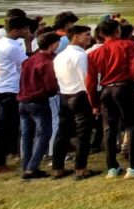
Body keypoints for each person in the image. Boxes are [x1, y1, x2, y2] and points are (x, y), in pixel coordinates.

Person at [86, 17, 134, 179]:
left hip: (106, 89)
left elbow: (90, 81)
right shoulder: (127, 45)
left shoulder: (94, 53)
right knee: (131, 125)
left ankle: (112, 167)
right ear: (117, 31)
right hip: (124, 87)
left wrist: (94, 102)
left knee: (109, 128)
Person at [0, 9, 32, 175]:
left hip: (1, 87)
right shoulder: (12, 47)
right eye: (25, 29)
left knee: (1, 127)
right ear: (15, 31)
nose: (28, 32)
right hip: (9, 90)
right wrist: (28, 44)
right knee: (2, 128)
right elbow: (28, 65)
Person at [52, 24, 96, 180]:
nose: (89, 37)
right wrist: (93, 101)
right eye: (87, 34)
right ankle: (81, 168)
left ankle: (58, 167)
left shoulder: (60, 56)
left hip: (65, 94)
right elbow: (86, 79)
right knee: (83, 133)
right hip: (80, 94)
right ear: (76, 36)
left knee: (63, 132)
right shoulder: (81, 56)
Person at [17, 32, 61, 179]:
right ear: (53, 45)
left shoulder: (29, 60)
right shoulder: (47, 62)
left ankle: (27, 165)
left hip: (23, 100)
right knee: (44, 134)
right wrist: (56, 90)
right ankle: (32, 167)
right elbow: (50, 85)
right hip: (38, 100)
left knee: (26, 135)